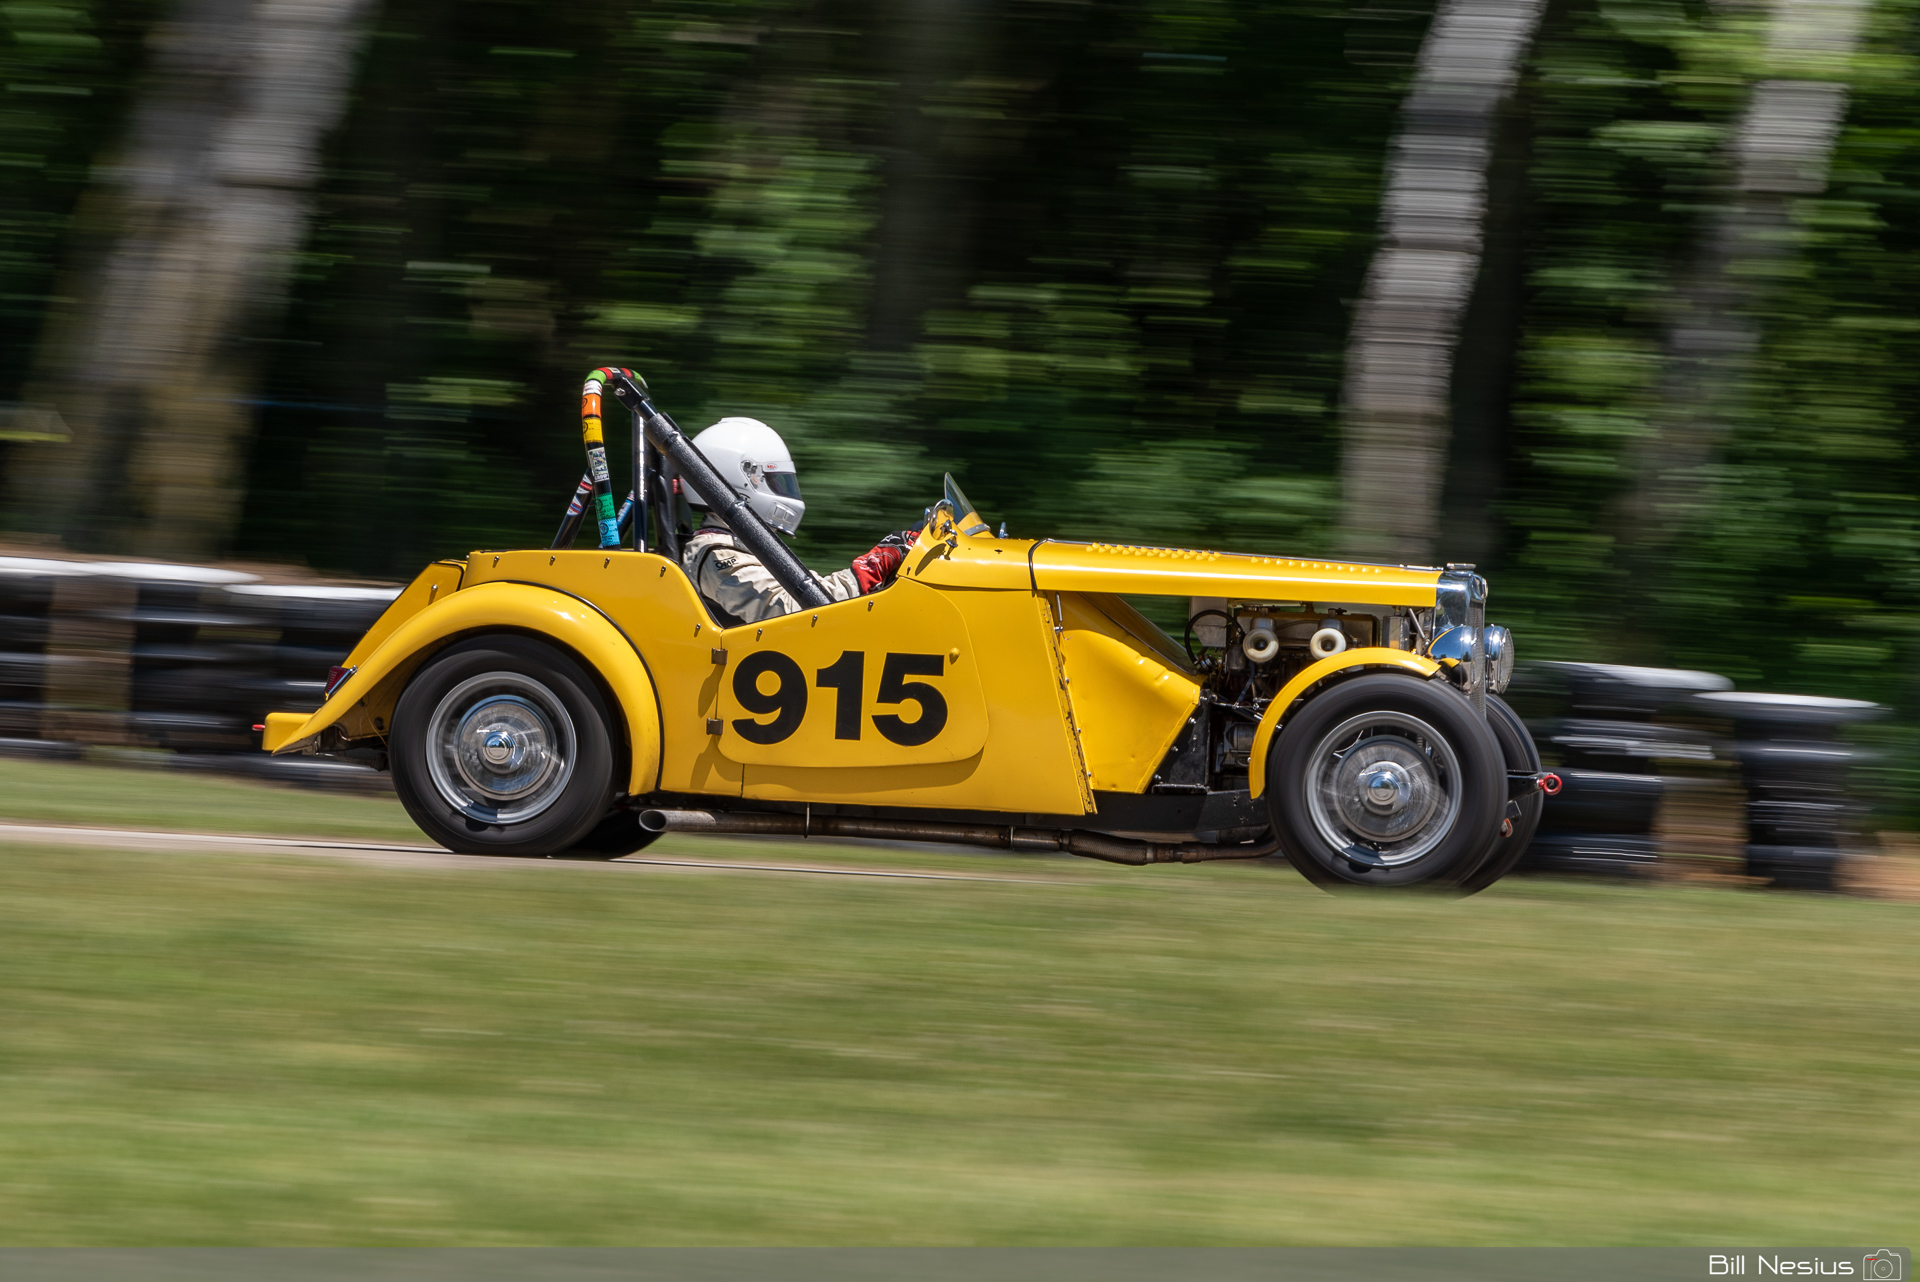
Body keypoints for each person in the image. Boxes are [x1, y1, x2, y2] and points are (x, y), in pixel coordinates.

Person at [679, 416, 916, 626]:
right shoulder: (716, 555)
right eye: (775, 481)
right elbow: (796, 613)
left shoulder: (744, 546)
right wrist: (871, 568)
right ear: (739, 482)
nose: (784, 491)